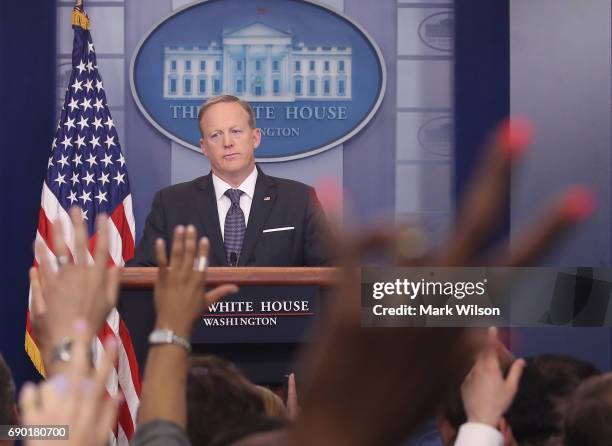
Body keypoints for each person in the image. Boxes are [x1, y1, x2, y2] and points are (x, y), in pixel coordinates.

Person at [129, 95, 331, 267]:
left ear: (255, 138)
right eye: (216, 135)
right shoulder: (171, 204)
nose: (228, 143)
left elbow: (339, 274)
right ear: (204, 147)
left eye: (236, 131)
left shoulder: (300, 200)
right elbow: (140, 277)